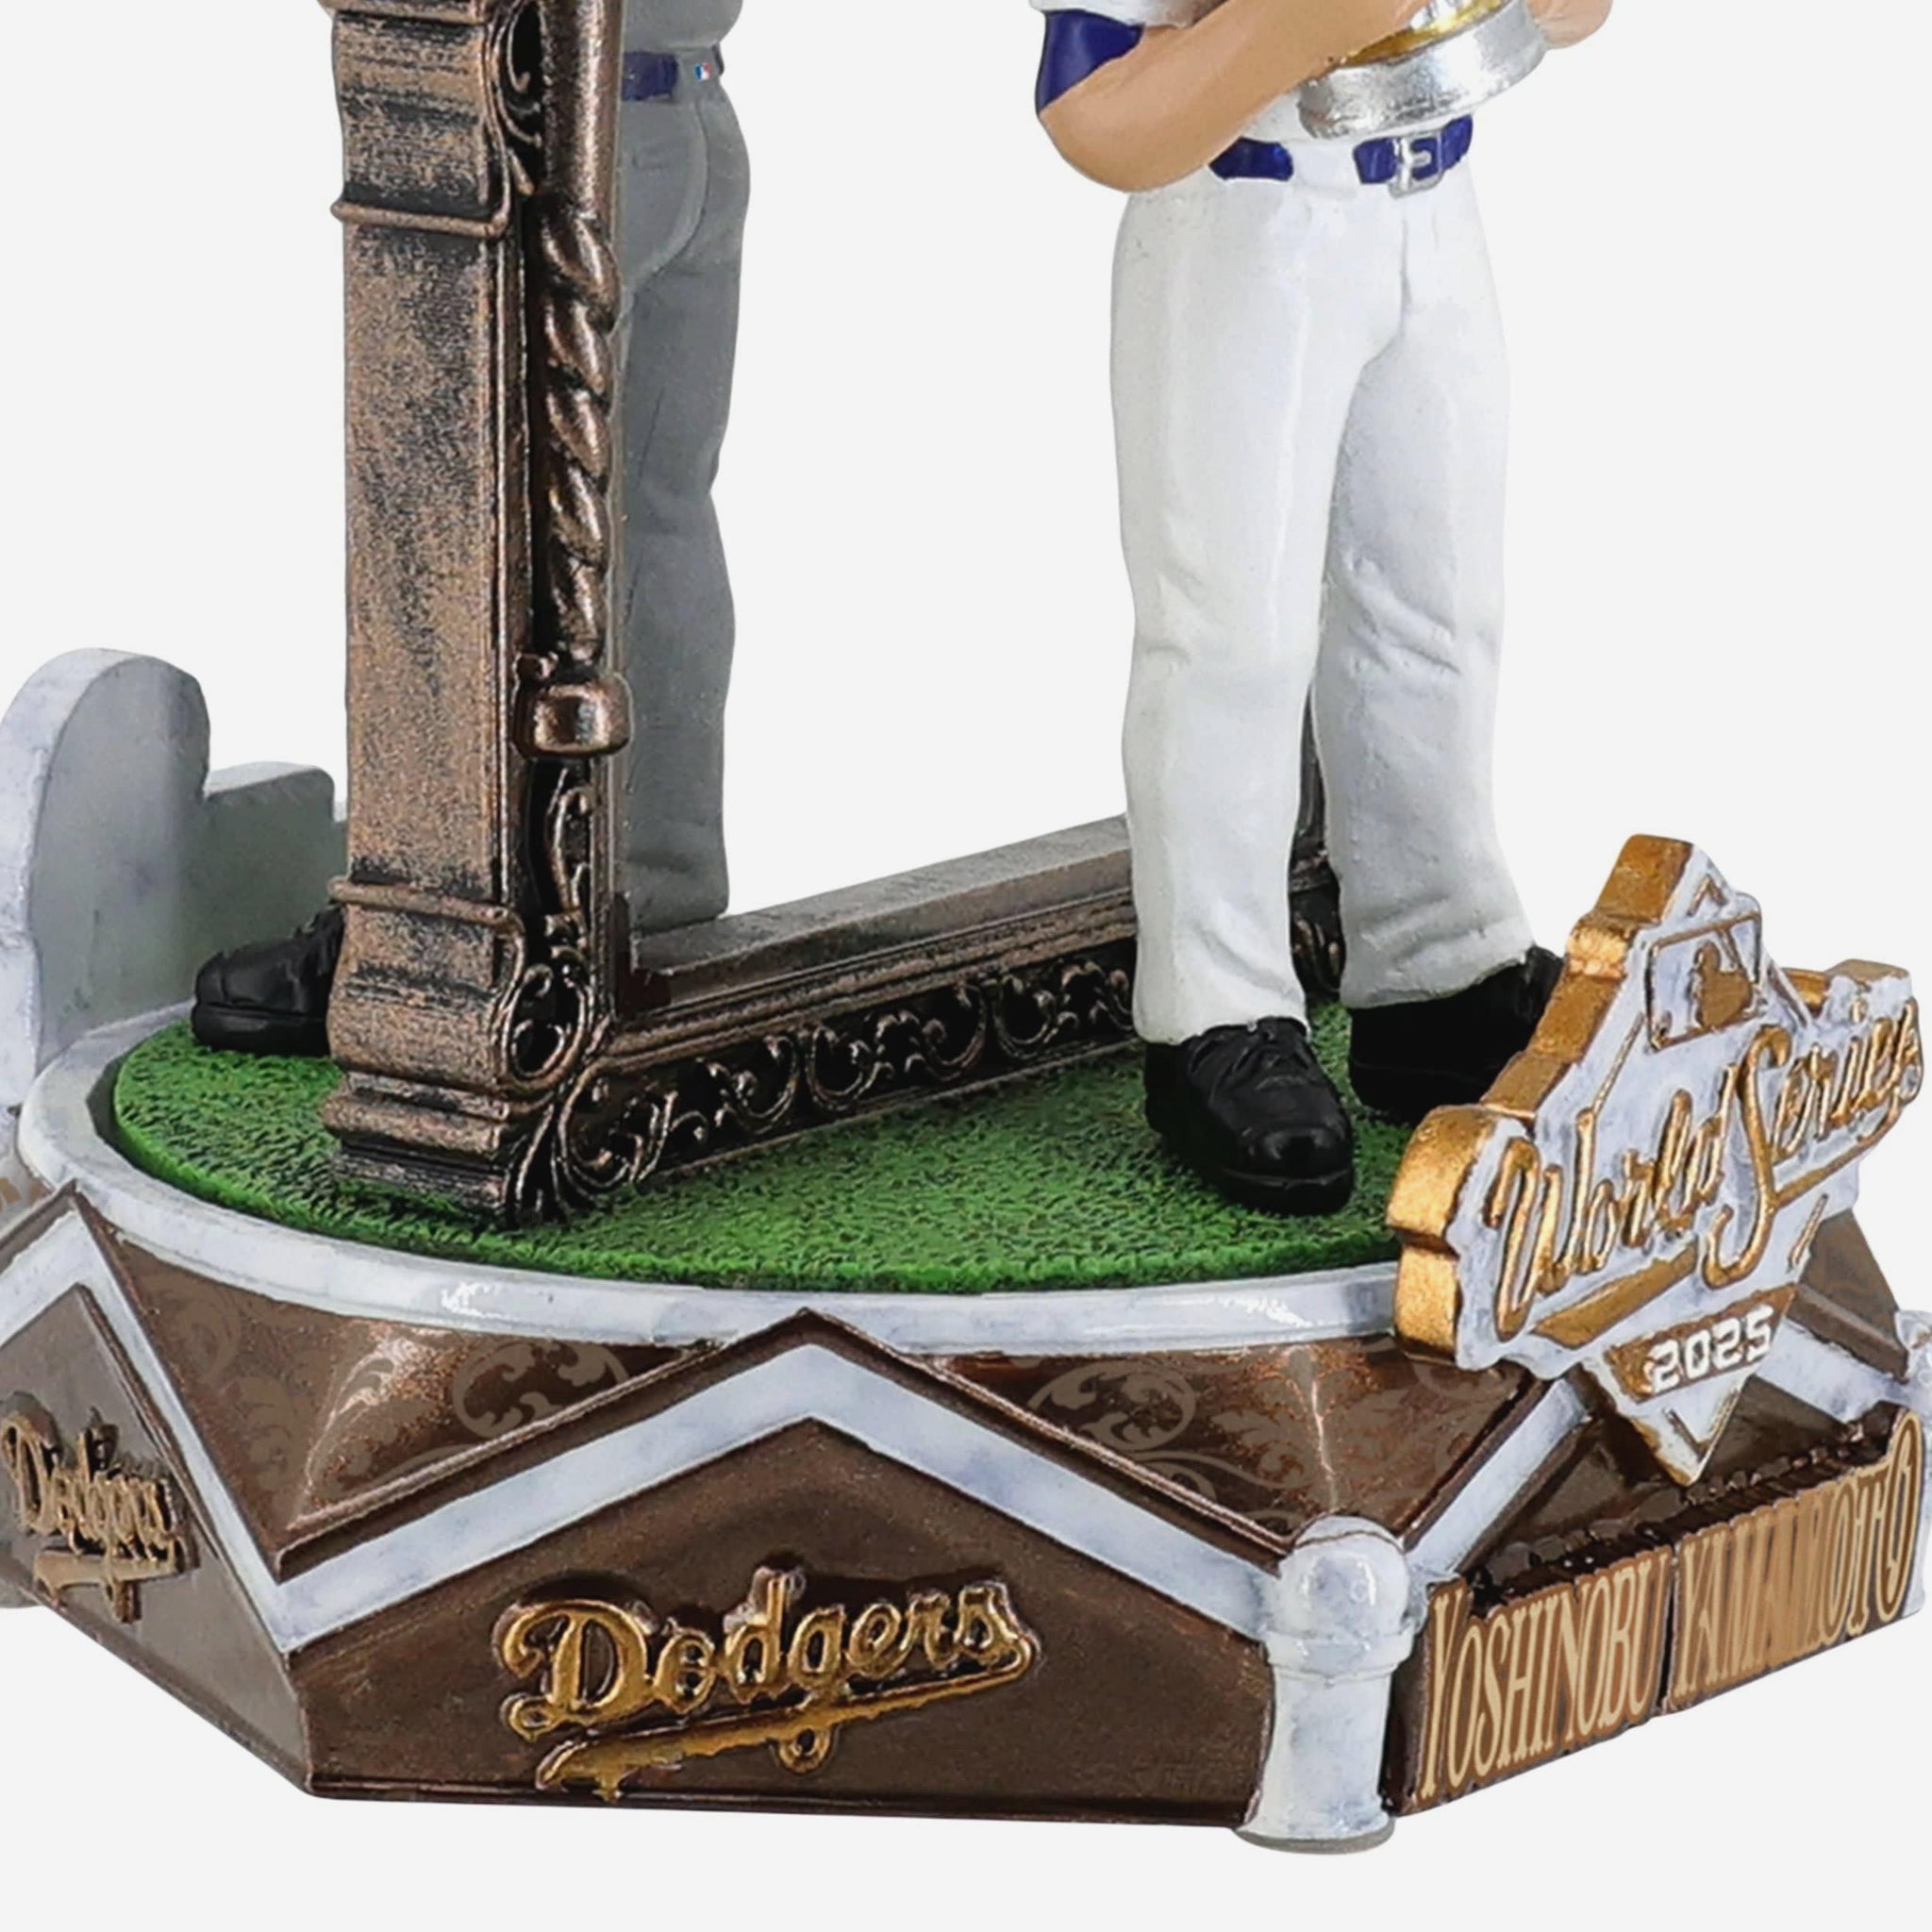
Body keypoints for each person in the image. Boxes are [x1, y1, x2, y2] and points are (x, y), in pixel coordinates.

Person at [1033, 0, 1612, 1213]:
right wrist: (1305, 18)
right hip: (1247, 215)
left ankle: (1439, 963)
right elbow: (1096, 113)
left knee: (1435, 604)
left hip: (1428, 202)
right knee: (1231, 635)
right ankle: (1216, 1008)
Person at [192, 0, 748, 1054]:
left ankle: (432, 936)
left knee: (460, 528)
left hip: (536, 131)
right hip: (673, 104)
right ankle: (653, 893)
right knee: (655, 520)